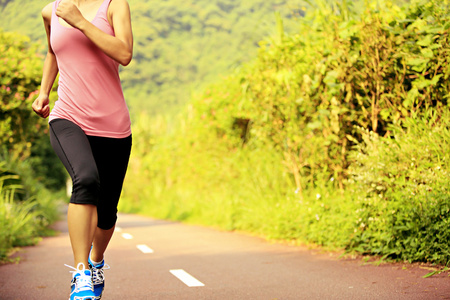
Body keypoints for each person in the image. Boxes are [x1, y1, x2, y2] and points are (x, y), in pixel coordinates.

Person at [31, 0, 133, 299]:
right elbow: (53, 52)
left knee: (107, 212)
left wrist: (81, 23)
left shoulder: (114, 6)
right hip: (68, 116)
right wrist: (43, 92)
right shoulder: (51, 11)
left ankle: (96, 260)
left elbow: (124, 54)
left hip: (113, 124)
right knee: (86, 179)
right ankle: (81, 273)